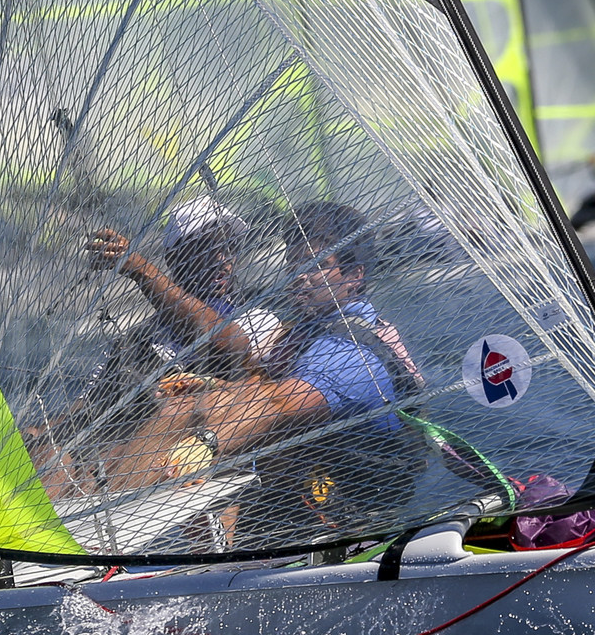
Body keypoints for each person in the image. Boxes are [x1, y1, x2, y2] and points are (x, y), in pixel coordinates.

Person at [114, 201, 425, 542]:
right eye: (294, 263)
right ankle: (106, 518)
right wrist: (211, 383)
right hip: (294, 498)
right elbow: (264, 384)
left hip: (343, 527)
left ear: (354, 277)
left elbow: (276, 403)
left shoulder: (351, 348)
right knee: (190, 406)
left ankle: (110, 542)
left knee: (198, 417)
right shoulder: (311, 328)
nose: (299, 276)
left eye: (316, 265)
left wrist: (205, 443)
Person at [32, 196, 279, 499]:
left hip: (182, 471)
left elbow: (225, 341)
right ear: (176, 259)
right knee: (46, 449)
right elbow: (90, 404)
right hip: (109, 454)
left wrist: (140, 269)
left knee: (92, 465)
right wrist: (36, 433)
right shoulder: (137, 337)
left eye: (230, 247)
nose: (223, 259)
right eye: (208, 248)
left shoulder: (256, 319)